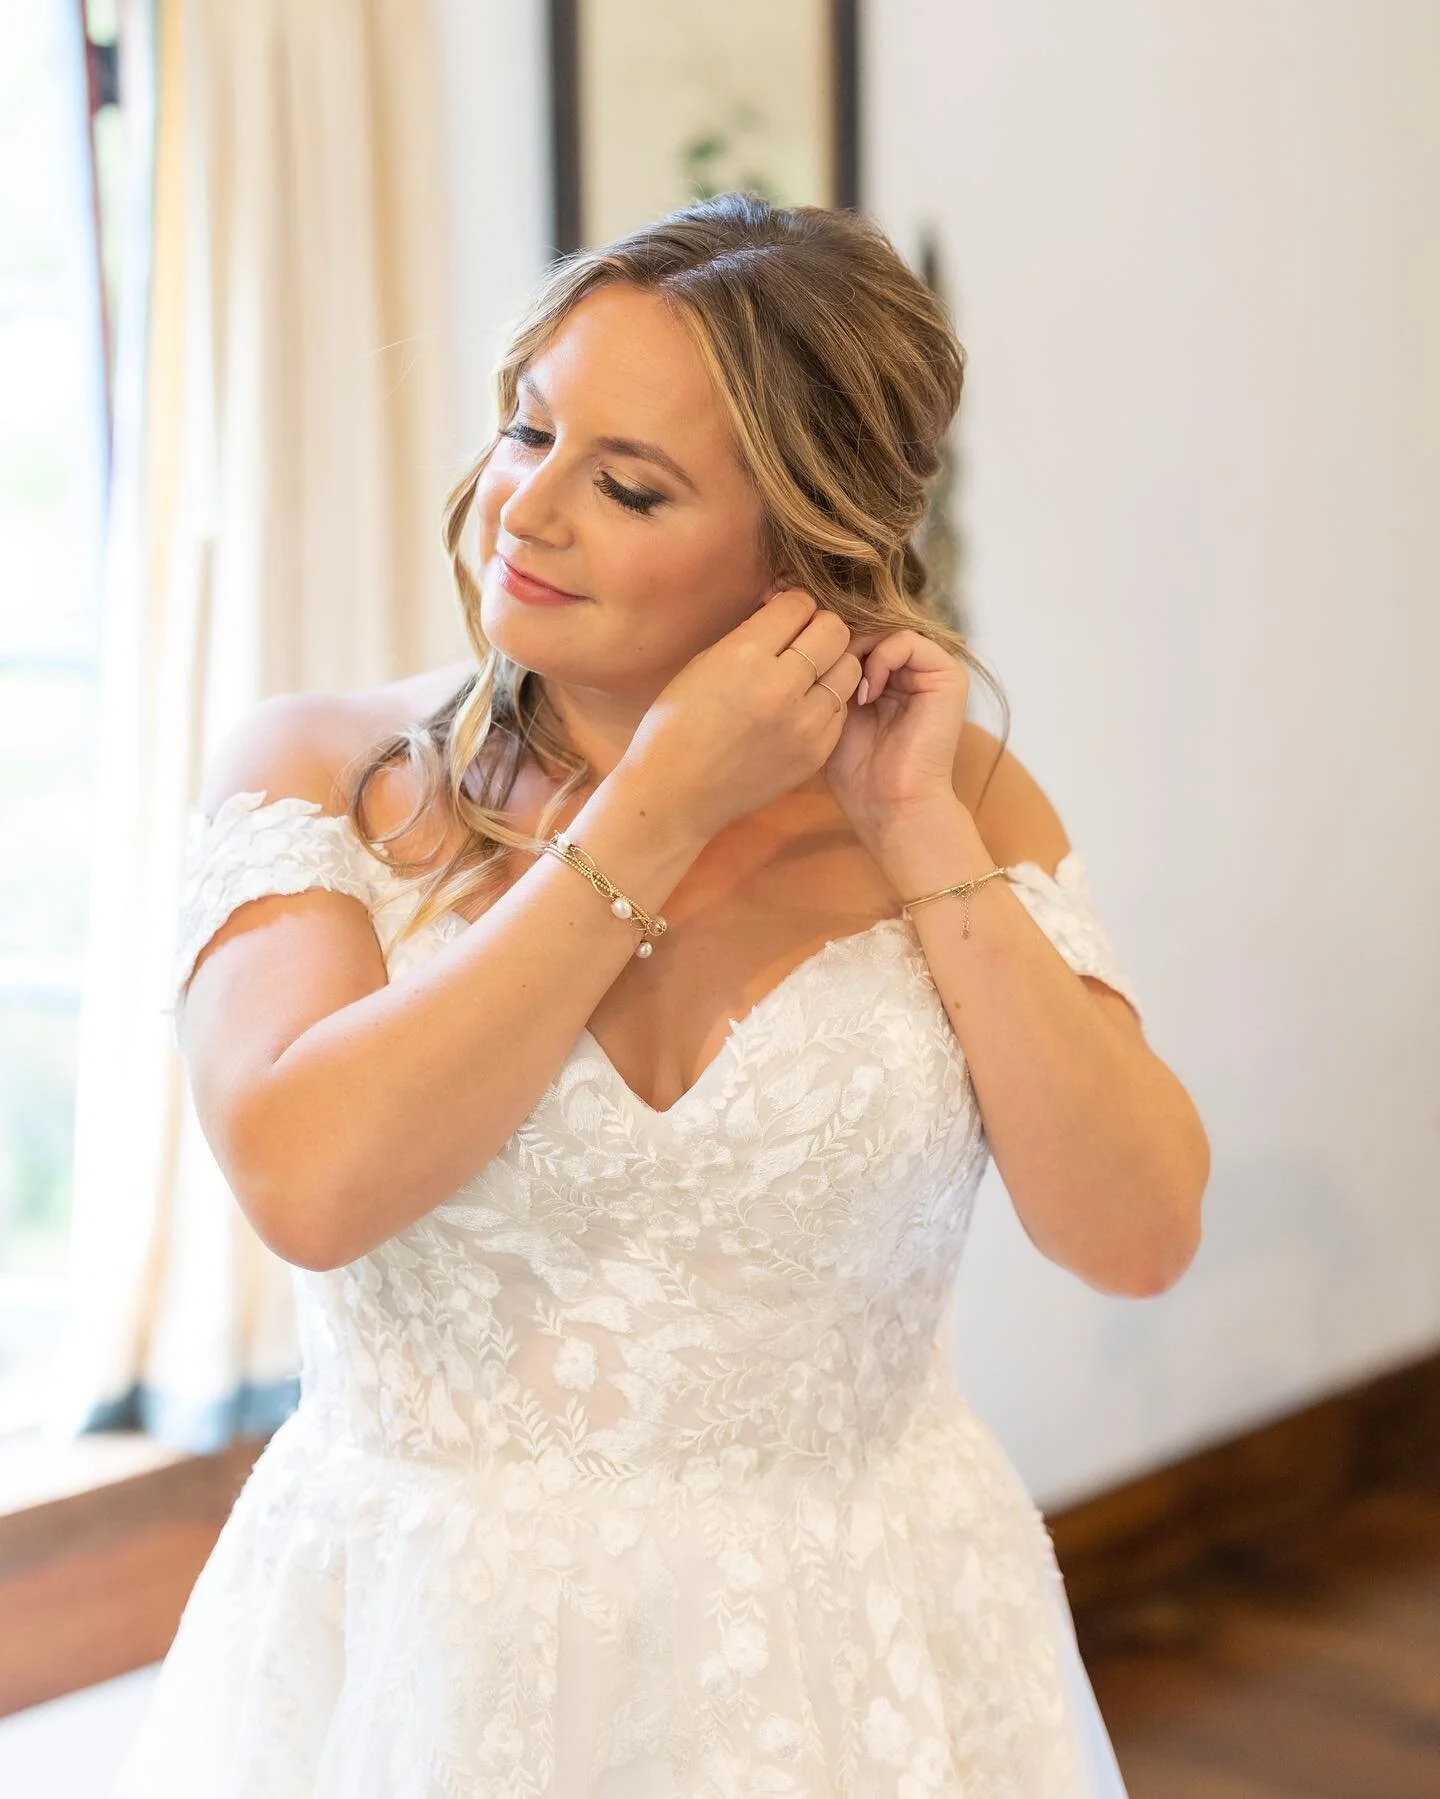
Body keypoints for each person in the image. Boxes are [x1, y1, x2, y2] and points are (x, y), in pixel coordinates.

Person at [110, 193, 1208, 1797]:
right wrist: (654, 811)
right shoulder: (322, 772)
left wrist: (916, 827)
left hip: (858, 1656)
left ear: (804, 543)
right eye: (526, 429)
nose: (523, 511)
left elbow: (1136, 1230)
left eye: (626, 484)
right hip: (430, 1655)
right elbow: (312, 1175)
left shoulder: (959, 797)